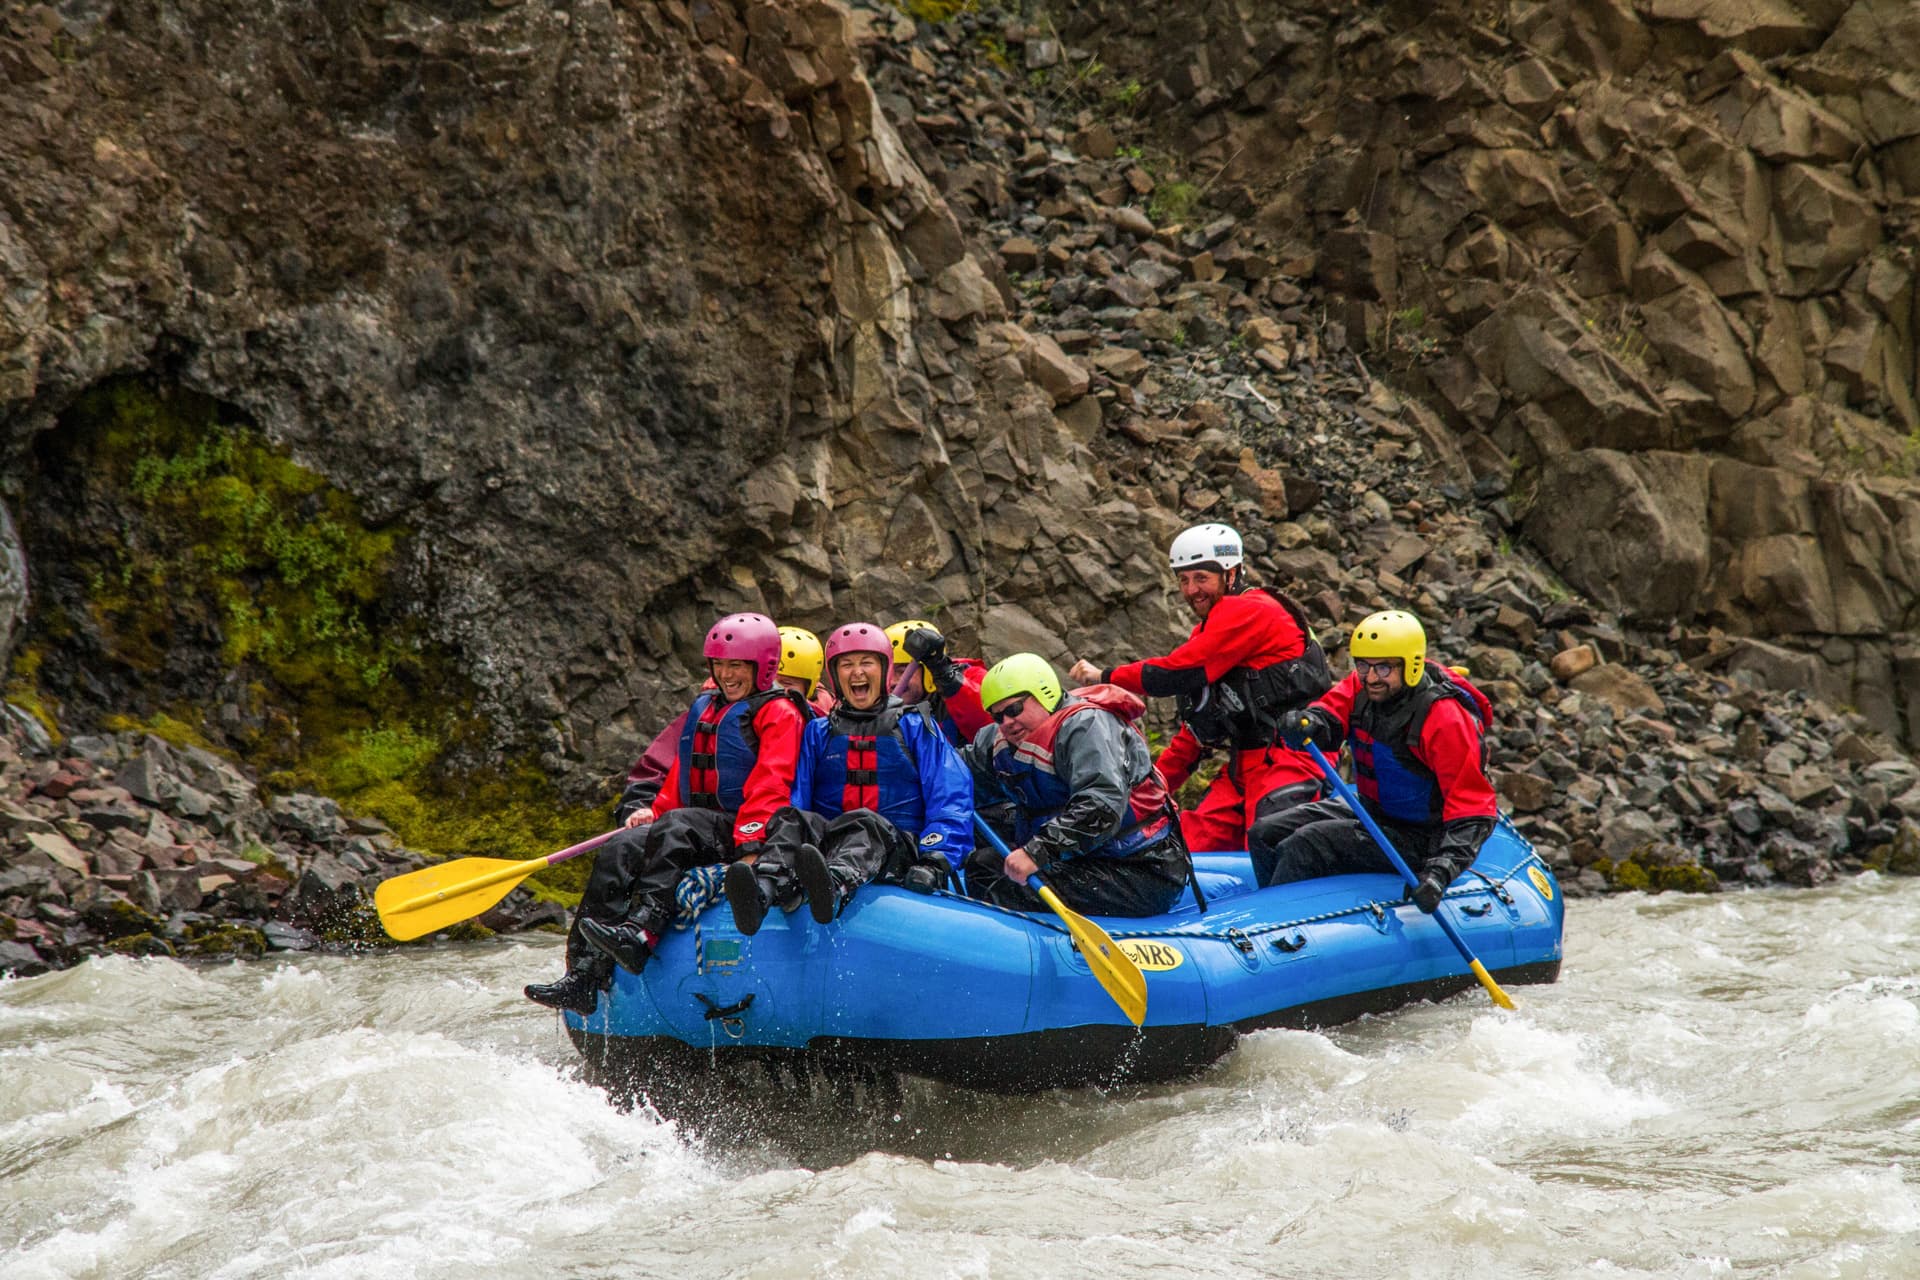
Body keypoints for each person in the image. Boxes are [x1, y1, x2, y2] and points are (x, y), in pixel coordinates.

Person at [523, 612, 809, 1011]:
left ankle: (642, 934)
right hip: (692, 824)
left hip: (741, 827)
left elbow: (771, 781)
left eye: (737, 666)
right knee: (621, 849)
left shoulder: (779, 712)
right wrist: (654, 812)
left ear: (762, 668)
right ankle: (583, 975)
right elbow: (681, 775)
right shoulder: (706, 707)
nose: (727, 675)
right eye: (720, 665)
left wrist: (752, 841)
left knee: (679, 825)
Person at [1068, 523, 1332, 854]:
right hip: (1245, 765)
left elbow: (1177, 673)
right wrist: (1149, 788)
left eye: (1202, 578)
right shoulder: (1210, 635)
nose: (1192, 590)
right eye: (1184, 579)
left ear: (1232, 573)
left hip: (1290, 758)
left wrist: (1106, 676)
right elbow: (1195, 729)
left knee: (1270, 841)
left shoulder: (1251, 610)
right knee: (1191, 847)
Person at [723, 621, 974, 934]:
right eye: (847, 664)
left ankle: (836, 884)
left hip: (897, 847)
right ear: (835, 676)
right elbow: (797, 797)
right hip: (830, 845)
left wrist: (937, 860)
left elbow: (951, 796)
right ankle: (766, 887)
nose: (857, 672)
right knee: (791, 817)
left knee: (866, 823)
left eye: (866, 663)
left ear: (883, 670)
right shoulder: (819, 731)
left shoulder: (915, 725)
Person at [1251, 609, 1496, 912]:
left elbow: (1475, 811)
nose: (1371, 677)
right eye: (1363, 665)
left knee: (1307, 843)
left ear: (1412, 666)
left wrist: (1439, 872)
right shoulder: (1361, 688)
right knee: (1264, 832)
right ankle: (1266, 915)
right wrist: (1306, 722)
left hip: (1422, 837)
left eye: (1383, 668)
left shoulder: (1444, 720)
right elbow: (1328, 717)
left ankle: (1282, 926)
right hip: (1373, 812)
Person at [961, 653, 1188, 917]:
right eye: (998, 716)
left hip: (1141, 868)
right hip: (1082, 859)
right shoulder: (1000, 740)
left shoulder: (1087, 726)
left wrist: (1037, 852)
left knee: (1006, 891)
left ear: (1043, 694)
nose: (1007, 723)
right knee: (982, 865)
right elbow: (952, 770)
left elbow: (1101, 805)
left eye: (1013, 709)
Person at [886, 619, 990, 748]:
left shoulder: (972, 677)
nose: (891, 682)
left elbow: (992, 730)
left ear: (928, 671)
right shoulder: (877, 704)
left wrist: (948, 680)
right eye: (886, 673)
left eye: (901, 671)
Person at [777, 625, 836, 714]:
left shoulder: (822, 715)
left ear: (808, 688)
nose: (774, 689)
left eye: (786, 683)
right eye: (768, 681)